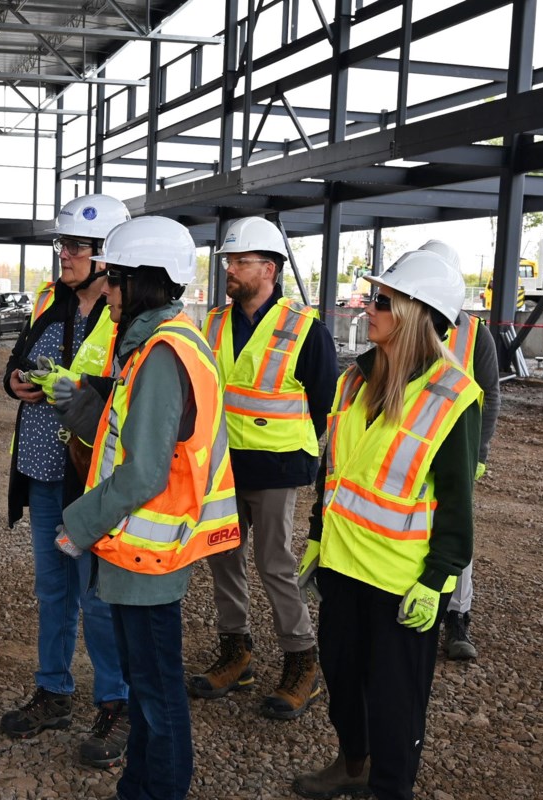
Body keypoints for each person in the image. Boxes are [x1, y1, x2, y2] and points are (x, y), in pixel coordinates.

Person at [53, 216, 242, 800]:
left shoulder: (163, 353)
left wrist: (79, 525)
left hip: (149, 558)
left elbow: (142, 472)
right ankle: (139, 785)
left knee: (158, 694)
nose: (105, 291)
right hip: (141, 552)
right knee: (146, 686)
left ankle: (159, 789)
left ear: (142, 283)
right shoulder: (155, 346)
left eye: (114, 280)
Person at [292, 249, 482, 800]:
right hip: (343, 567)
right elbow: (336, 471)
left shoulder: (452, 397)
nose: (367, 308)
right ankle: (353, 764)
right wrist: (316, 535)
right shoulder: (356, 380)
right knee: (343, 683)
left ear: (416, 314)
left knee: (396, 704)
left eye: (381, 300)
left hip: (402, 583)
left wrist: (438, 580)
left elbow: (455, 502)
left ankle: (390, 787)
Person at [0, 194, 132, 768]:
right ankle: (53, 690)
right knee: (53, 591)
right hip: (42, 470)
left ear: (108, 256)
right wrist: (14, 381)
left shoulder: (128, 311)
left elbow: (135, 396)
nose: (66, 254)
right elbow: (20, 355)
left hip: (92, 479)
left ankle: (116, 702)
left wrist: (80, 394)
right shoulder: (49, 299)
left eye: (77, 246)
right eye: (63, 244)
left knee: (96, 596)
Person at [189, 217, 337, 719]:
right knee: (223, 559)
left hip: (277, 468)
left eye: (239, 262)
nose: (230, 270)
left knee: (275, 565)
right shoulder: (210, 324)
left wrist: (291, 449)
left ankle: (302, 663)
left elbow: (323, 405)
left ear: (268, 269)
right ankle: (238, 655)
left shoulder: (305, 329)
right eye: (229, 261)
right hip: (223, 468)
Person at [419, 239, 502, 661]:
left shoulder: (475, 332)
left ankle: (457, 616)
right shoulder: (408, 322)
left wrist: (479, 453)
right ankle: (422, 604)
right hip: (414, 447)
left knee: (456, 531)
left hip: (456, 447)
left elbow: (490, 393)